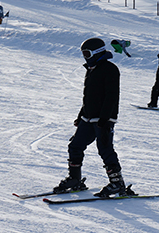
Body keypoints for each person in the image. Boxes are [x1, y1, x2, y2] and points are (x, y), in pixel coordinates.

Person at [52, 38, 129, 198]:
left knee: (105, 149)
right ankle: (75, 180)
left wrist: (105, 119)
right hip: (88, 117)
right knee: (75, 146)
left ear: (97, 52)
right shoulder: (91, 69)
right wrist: (81, 116)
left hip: (103, 119)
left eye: (86, 53)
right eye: (83, 54)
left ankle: (117, 183)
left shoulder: (110, 69)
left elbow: (111, 96)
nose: (85, 57)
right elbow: (89, 97)